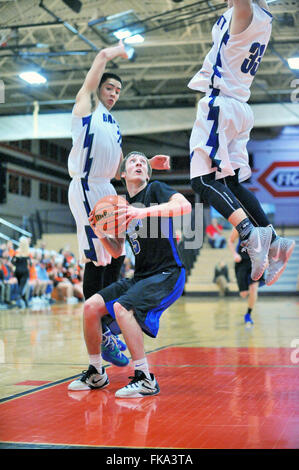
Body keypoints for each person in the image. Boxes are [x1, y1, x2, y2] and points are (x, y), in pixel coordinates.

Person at [68, 40, 171, 367]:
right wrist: (116, 50)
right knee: (97, 260)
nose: (113, 93)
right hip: (85, 188)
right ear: (99, 87)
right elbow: (100, 57)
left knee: (115, 257)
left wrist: (147, 161)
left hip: (105, 191)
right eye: (109, 87)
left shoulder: (113, 125)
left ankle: (106, 324)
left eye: (118, 90)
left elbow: (117, 165)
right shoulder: (85, 105)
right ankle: (99, 328)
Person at [188, 0, 295, 286]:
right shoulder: (260, 17)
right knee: (232, 184)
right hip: (238, 108)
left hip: (221, 104)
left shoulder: (246, 12)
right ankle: (274, 241)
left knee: (202, 181)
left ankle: (250, 235)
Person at [68, 151, 191, 397]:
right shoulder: (120, 206)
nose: (139, 164)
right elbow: (116, 252)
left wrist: (141, 213)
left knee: (123, 309)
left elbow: (184, 206)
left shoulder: (155, 189)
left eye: (143, 162)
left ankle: (145, 378)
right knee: (91, 307)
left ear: (147, 173)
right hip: (141, 276)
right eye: (133, 161)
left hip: (167, 273)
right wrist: (99, 231)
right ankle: (96, 373)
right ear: (122, 174)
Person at [228, 227, 264, 326]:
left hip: (255, 262)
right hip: (242, 262)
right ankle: (246, 290)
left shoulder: (259, 224)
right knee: (244, 294)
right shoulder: (239, 225)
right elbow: (230, 241)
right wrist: (234, 254)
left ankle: (248, 314)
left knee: (253, 289)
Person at [11, 236, 30, 308]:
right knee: (22, 286)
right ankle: (19, 297)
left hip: (17, 271)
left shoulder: (17, 251)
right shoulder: (27, 252)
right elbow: (30, 263)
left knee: (20, 285)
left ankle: (25, 301)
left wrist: (17, 264)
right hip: (24, 271)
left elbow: (12, 261)